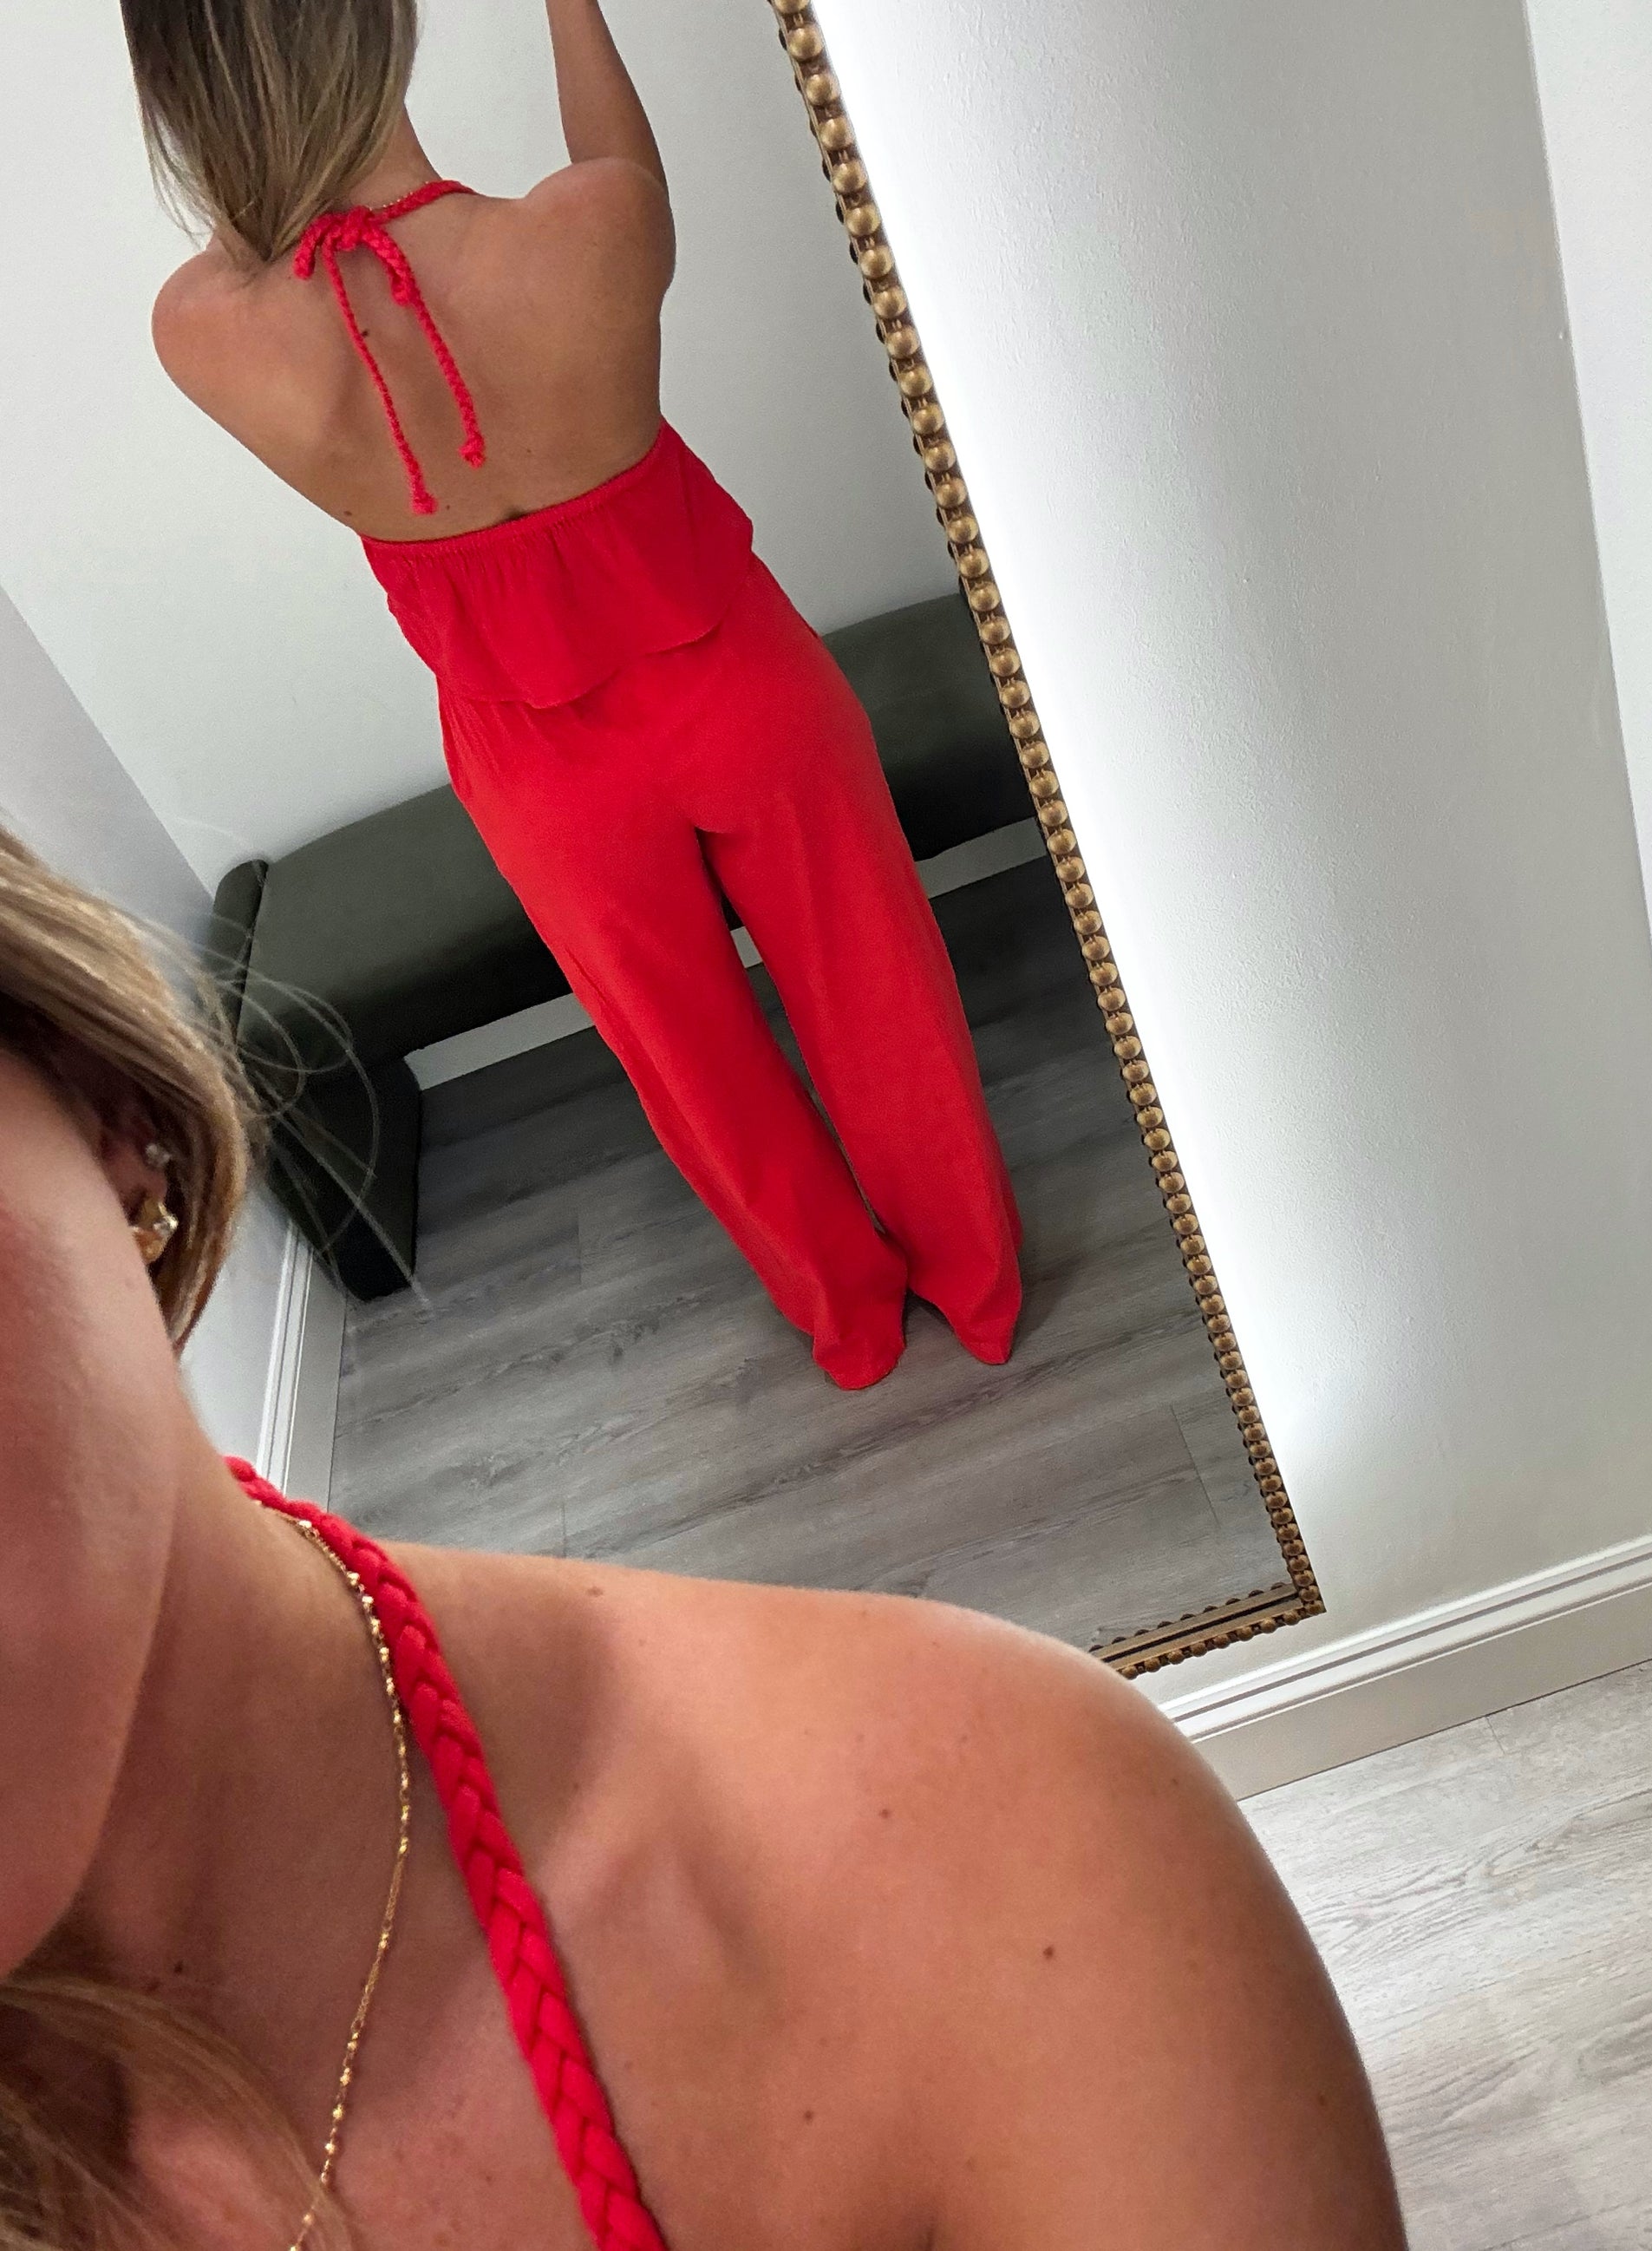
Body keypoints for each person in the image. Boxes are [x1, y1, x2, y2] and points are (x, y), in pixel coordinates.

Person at [0, 822, 1406, 2249]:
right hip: (528, 756)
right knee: (688, 1053)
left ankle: (969, 1278)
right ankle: (851, 1310)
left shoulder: (986, 1872)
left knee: (860, 973)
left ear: (102, 1106)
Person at [121, 0, 1022, 1391]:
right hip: (736, 686)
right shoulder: (584, 226)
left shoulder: (203, 333)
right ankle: (977, 1285)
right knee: (874, 985)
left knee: (686, 1061)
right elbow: (620, 169)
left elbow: (261, 241)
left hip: (536, 771)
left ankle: (847, 1322)